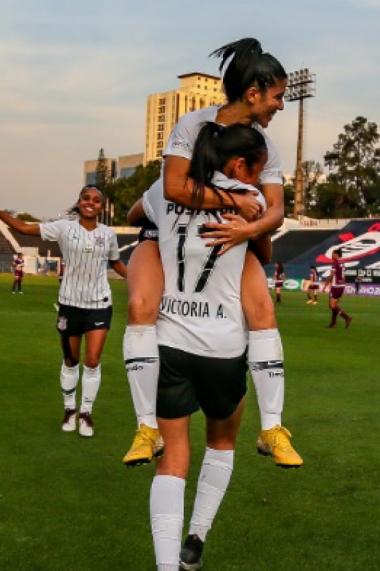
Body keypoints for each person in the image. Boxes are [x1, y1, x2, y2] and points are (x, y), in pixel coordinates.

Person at [122, 38, 302, 469]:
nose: (280, 106)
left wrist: (248, 225)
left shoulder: (267, 148)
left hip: (227, 234)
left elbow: (274, 211)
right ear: (253, 93)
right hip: (167, 228)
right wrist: (233, 202)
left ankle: (272, 428)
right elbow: (173, 188)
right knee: (141, 304)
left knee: (262, 308)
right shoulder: (191, 124)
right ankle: (145, 427)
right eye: (277, 96)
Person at [136, 122, 268, 571]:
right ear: (239, 163)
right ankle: (196, 540)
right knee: (223, 441)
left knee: (172, 457)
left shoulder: (162, 189)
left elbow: (138, 218)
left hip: (171, 341)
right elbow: (266, 248)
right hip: (224, 345)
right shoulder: (248, 195)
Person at [0, 185, 127, 438]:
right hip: (70, 304)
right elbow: (25, 228)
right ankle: (69, 409)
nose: (90, 203)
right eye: (86, 198)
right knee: (71, 359)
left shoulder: (109, 234)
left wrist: (140, 281)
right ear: (79, 201)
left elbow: (116, 262)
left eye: (96, 200)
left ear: (102, 207)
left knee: (92, 360)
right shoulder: (64, 227)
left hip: (99, 304)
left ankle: (85, 413)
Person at [323, 248, 352, 329]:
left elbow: (332, 275)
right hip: (341, 286)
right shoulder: (342, 263)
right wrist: (343, 286)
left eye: (332, 254)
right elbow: (344, 275)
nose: (331, 255)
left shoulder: (335, 263)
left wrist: (326, 285)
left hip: (335, 286)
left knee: (332, 306)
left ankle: (347, 317)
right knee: (334, 306)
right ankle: (333, 323)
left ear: (336, 254)